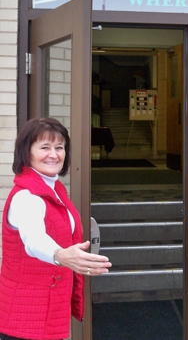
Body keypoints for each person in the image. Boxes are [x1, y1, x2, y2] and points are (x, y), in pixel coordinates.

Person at [0, 117, 112, 340]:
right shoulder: (27, 196)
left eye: (59, 147)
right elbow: (34, 239)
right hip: (26, 316)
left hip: (48, 310)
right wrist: (60, 255)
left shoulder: (55, 188)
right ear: (26, 152)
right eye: (44, 147)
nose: (54, 154)